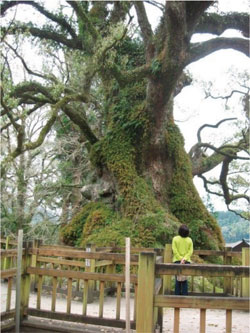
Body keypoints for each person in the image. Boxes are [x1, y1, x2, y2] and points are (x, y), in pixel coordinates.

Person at [172, 224, 193, 295]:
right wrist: (184, 259)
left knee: (177, 279)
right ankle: (185, 296)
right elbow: (190, 251)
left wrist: (180, 259)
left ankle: (177, 296)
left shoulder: (175, 239)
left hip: (177, 261)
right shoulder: (189, 240)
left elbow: (174, 251)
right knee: (184, 280)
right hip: (186, 262)